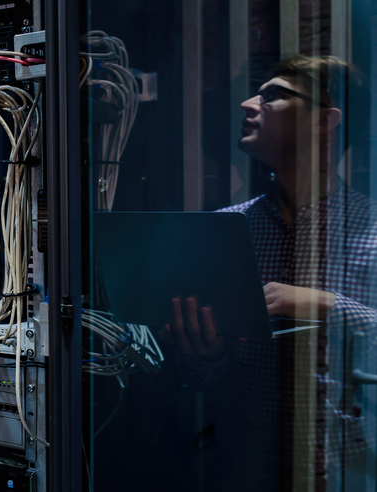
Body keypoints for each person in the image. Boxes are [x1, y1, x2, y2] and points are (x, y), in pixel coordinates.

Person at [158, 55, 375, 491]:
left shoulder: (373, 230)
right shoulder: (225, 229)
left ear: (324, 120)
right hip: (245, 469)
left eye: (273, 94)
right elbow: (203, 382)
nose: (246, 104)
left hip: (354, 472)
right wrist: (206, 352)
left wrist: (328, 306)